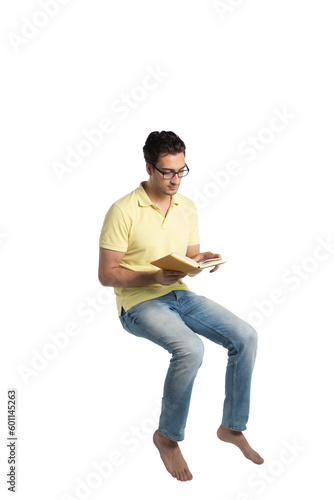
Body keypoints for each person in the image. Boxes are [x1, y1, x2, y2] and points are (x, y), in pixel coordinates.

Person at [98, 130, 264, 482]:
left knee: (246, 336)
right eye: (167, 172)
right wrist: (153, 278)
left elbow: (185, 258)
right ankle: (167, 437)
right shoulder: (122, 210)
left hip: (180, 295)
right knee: (191, 349)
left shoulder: (186, 206)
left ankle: (232, 428)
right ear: (149, 168)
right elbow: (107, 275)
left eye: (181, 171)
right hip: (138, 304)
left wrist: (202, 260)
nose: (175, 180)